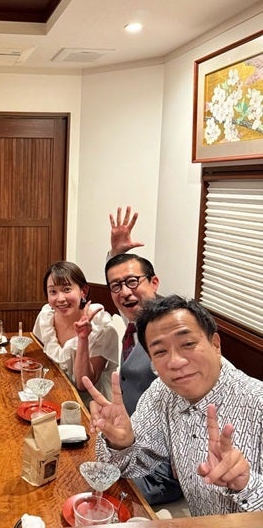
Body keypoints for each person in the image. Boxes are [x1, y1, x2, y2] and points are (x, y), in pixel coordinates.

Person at [83, 295, 263, 516]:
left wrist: (247, 485)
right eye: (160, 351)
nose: (176, 362)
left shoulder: (257, 402)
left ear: (215, 344)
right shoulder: (164, 392)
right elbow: (130, 466)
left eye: (188, 344)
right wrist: (121, 443)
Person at [105, 206, 183, 505]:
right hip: (129, 442)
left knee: (100, 498)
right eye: (116, 286)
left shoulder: (171, 331)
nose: (125, 292)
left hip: (160, 467)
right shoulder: (137, 322)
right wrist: (116, 254)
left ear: (155, 283)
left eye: (133, 282)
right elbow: (121, 281)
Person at [33, 261, 118, 403]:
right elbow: (39, 358)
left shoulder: (102, 328)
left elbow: (83, 384)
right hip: (53, 395)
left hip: (90, 406)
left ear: (83, 291)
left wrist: (83, 338)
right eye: (53, 292)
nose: (60, 299)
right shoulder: (46, 316)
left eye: (67, 289)